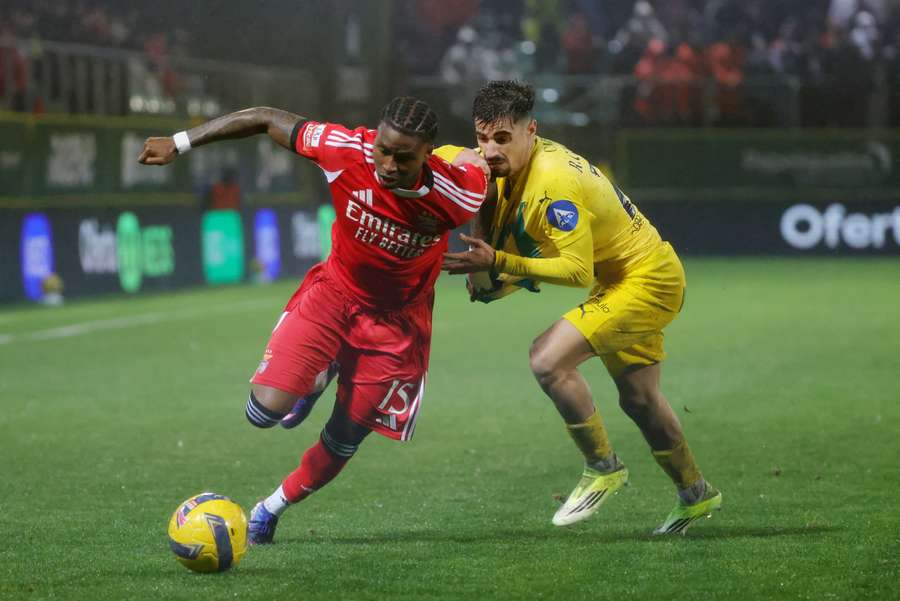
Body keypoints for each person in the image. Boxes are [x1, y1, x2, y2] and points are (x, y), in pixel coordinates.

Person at [139, 98, 489, 543]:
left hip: (398, 327)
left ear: (429, 154)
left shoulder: (456, 192)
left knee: (344, 438)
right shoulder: (345, 150)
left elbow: (484, 179)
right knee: (263, 413)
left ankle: (270, 508)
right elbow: (265, 117)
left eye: (404, 157)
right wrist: (180, 141)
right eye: (383, 149)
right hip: (335, 297)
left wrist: (483, 254)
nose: (387, 164)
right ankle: (324, 369)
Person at [440, 80, 720, 535]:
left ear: (531, 130)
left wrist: (498, 264)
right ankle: (696, 494)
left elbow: (574, 270)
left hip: (649, 280)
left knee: (547, 359)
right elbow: (437, 161)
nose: (490, 150)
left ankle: (603, 467)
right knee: (641, 400)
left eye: (502, 138)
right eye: (482, 138)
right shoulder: (496, 165)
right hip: (621, 279)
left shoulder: (553, 183)